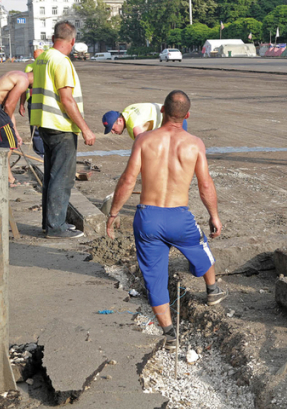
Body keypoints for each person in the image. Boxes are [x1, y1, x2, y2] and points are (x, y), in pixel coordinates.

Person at [105, 90, 226, 350]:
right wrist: (213, 215)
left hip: (147, 217)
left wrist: (114, 213)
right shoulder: (195, 143)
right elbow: (205, 184)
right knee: (200, 247)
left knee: (155, 278)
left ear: (162, 111)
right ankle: (213, 290)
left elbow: (127, 180)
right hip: (179, 216)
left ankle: (170, 334)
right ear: (187, 115)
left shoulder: (144, 140)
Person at [30, 21, 96, 239]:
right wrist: (85, 129)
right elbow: (67, 100)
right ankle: (56, 227)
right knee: (62, 178)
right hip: (61, 126)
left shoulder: (43, 58)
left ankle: (48, 224)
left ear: (52, 38)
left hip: (45, 124)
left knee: (51, 176)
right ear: (73, 41)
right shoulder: (61, 61)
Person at [0, 70, 33, 186]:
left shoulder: (17, 74)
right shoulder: (23, 80)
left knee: (8, 142)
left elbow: (8, 110)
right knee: (8, 145)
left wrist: (15, 131)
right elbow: (8, 106)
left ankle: (9, 177)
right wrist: (11, 129)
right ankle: (8, 178)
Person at [102, 103, 188, 139]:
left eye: (113, 128)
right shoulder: (127, 111)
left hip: (175, 123)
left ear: (120, 120)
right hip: (176, 116)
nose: (112, 132)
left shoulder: (133, 126)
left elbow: (143, 146)